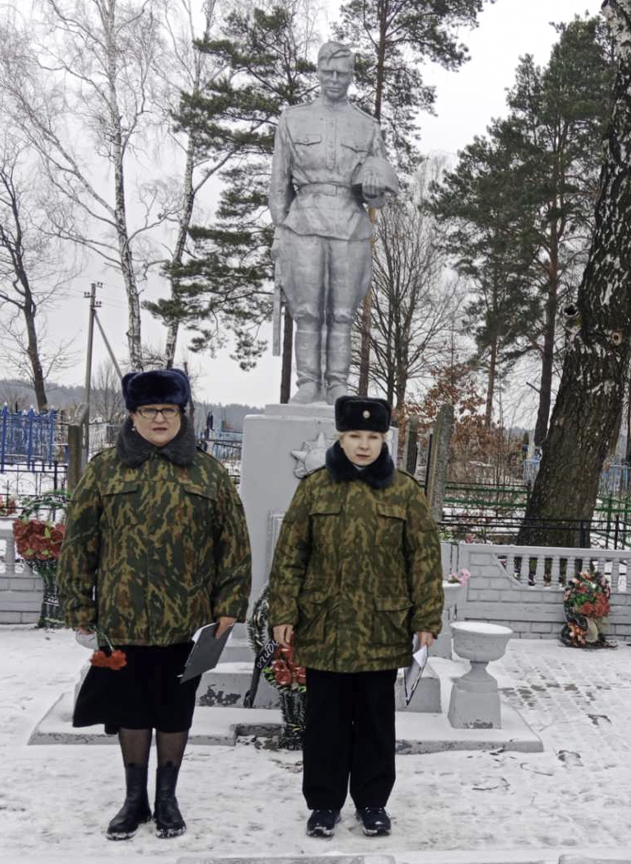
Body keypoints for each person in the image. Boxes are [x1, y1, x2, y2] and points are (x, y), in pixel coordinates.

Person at [58, 369, 251, 841]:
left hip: (187, 622)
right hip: (123, 618)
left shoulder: (208, 472)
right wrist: (79, 608)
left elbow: (234, 544)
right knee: (131, 710)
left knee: (173, 710)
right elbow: (80, 541)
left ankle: (167, 798)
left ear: (183, 413)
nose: (160, 418)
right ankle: (133, 799)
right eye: (150, 410)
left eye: (169, 409)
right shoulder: (105, 470)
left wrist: (229, 604)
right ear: (133, 415)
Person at [267, 396, 443, 839]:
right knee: (324, 724)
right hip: (326, 626)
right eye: (354, 436)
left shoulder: (404, 491)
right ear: (340, 437)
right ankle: (324, 804)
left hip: (380, 629)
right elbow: (291, 554)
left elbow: (423, 559)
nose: (363, 446)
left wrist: (426, 620)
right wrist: (284, 609)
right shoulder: (315, 488)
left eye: (372, 437)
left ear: (383, 440)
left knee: (375, 724)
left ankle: (372, 803)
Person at [269, 41, 400, 404]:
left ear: (352, 77)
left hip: (349, 225)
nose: (334, 80)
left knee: (343, 314)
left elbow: (379, 187)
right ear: (318, 72)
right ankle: (309, 383)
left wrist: (375, 191)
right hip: (304, 223)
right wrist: (279, 231)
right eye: (328, 72)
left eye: (342, 74)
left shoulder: (366, 126)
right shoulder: (293, 119)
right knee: (307, 311)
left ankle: (338, 384)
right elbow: (279, 183)